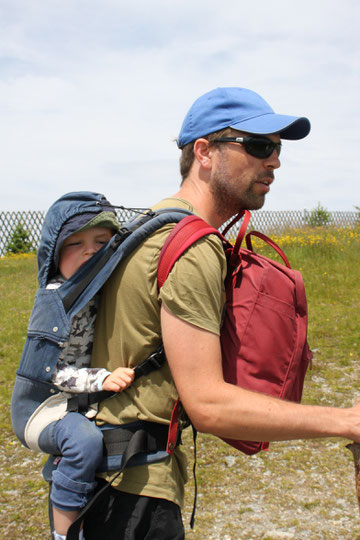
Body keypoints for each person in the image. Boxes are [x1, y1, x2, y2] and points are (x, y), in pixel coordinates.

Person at [87, 87, 360, 539]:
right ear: (204, 153)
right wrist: (346, 421)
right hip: (133, 493)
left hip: (100, 472)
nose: (273, 161)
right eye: (257, 146)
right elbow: (208, 404)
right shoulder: (193, 246)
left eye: (277, 149)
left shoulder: (151, 224)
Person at [11, 193, 135, 540]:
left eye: (102, 241)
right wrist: (102, 378)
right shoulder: (55, 302)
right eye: (75, 242)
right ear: (53, 253)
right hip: (40, 409)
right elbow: (51, 372)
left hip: (74, 402)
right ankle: (64, 533)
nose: (91, 250)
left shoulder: (99, 290)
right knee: (84, 442)